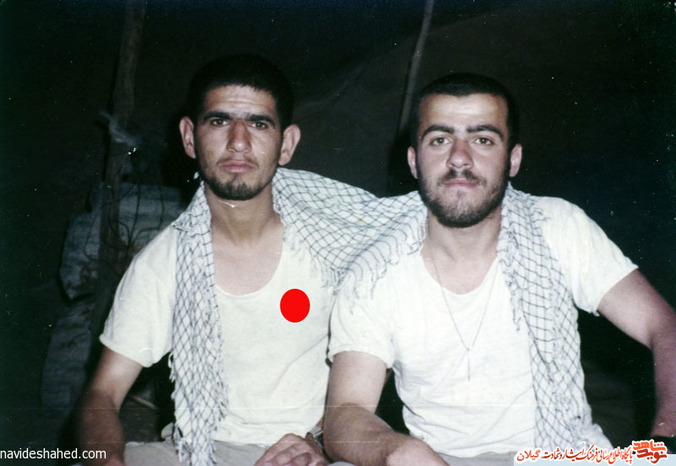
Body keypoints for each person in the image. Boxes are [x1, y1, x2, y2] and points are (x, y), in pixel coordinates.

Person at [324, 72, 676, 465]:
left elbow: (662, 325)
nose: (459, 157)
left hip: (561, 455)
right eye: (439, 140)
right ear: (413, 161)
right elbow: (345, 412)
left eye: (483, 139)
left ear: (513, 159)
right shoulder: (375, 272)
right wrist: (399, 450)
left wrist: (668, 438)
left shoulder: (556, 227)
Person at [77, 54, 374, 466]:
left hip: (311, 449)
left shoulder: (336, 242)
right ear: (189, 137)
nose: (238, 142)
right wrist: (107, 461)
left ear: (287, 144)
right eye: (219, 121)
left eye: (258, 124)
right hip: (201, 450)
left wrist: (319, 440)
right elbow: (102, 394)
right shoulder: (165, 262)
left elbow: (375, 365)